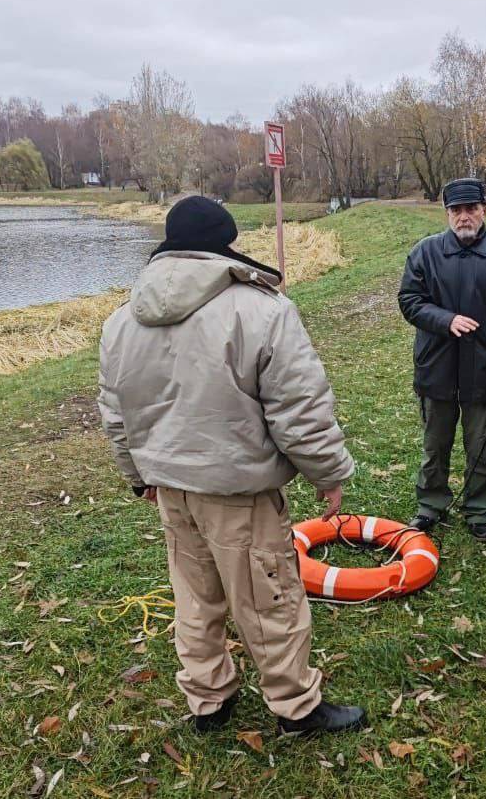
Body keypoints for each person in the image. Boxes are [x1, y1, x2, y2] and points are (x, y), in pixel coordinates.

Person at [98, 196, 367, 736]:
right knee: (270, 600)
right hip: (238, 492)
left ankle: (209, 700)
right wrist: (328, 473)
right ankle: (296, 708)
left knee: (195, 597)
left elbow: (115, 412)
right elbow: (299, 408)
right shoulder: (263, 311)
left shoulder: (122, 321)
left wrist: (138, 476)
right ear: (225, 244)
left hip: (170, 489)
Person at [397, 177, 486, 542]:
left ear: (485, 210)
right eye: (456, 210)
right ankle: (431, 505)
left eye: (471, 209)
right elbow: (410, 301)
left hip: (485, 370)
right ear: (447, 214)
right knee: (434, 445)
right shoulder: (424, 252)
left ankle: (479, 509)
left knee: (480, 449)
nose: (464, 217)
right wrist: (446, 320)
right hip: (436, 367)